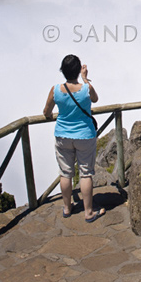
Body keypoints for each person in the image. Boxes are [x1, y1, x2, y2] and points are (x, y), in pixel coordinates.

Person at [43, 55, 105, 223]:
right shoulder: (86, 89)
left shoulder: (55, 89)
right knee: (85, 174)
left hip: (63, 134)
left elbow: (46, 112)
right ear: (78, 70)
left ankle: (67, 208)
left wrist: (52, 116)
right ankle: (88, 212)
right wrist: (85, 78)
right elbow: (95, 99)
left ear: (62, 71)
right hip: (85, 135)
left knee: (65, 173)